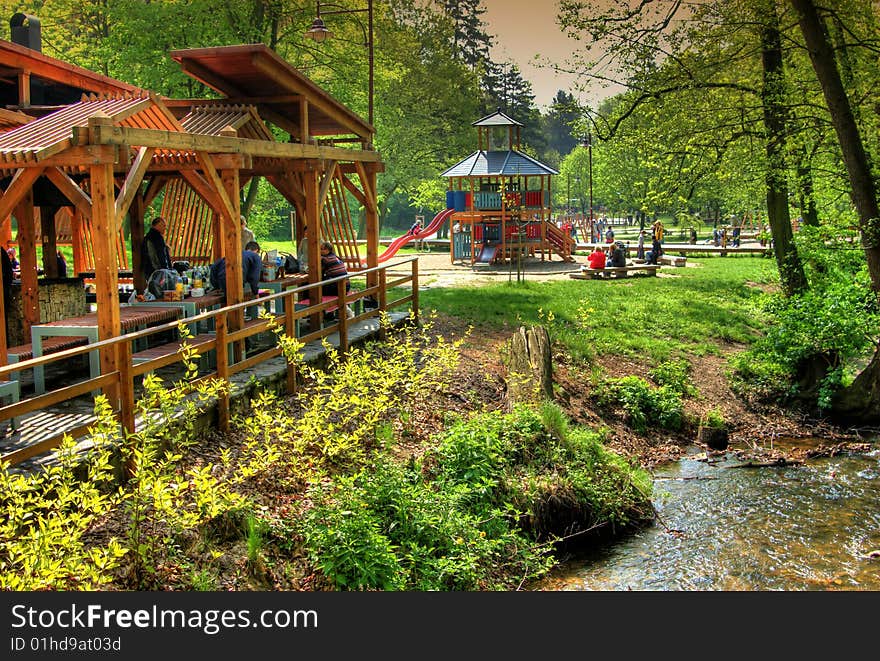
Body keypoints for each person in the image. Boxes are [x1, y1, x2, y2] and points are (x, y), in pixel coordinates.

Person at [320, 241, 354, 319]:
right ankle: (331, 313)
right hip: (346, 285)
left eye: (322, 249)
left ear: (328, 250)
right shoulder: (336, 257)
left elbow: (318, 272)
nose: (320, 251)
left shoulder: (325, 259)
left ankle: (325, 314)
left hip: (338, 287)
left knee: (315, 291)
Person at [141, 216, 172, 280]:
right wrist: (166, 270)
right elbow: (161, 255)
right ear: (157, 225)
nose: (165, 228)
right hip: (157, 272)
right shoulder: (156, 237)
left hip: (148, 270)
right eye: (163, 225)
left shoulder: (148, 237)